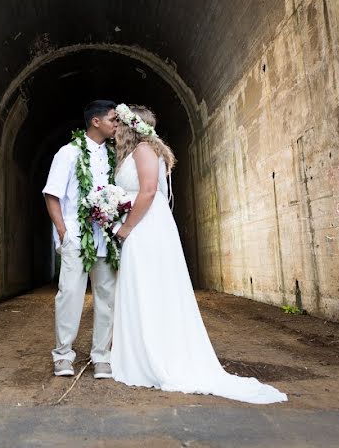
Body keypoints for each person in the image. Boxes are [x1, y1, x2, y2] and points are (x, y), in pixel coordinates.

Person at [110, 104, 287, 404]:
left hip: (145, 227)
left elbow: (149, 191)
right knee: (145, 289)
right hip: (148, 225)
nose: (113, 129)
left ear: (130, 126)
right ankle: (145, 349)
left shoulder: (142, 150)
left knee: (148, 288)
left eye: (118, 123)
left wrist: (125, 228)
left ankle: (153, 356)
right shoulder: (144, 150)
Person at [43, 100, 119, 379]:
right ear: (96, 121)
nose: (117, 124)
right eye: (113, 119)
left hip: (105, 238)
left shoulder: (114, 155)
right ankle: (63, 355)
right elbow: (52, 194)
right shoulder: (68, 153)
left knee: (107, 297)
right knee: (70, 295)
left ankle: (102, 356)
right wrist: (63, 232)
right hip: (76, 236)